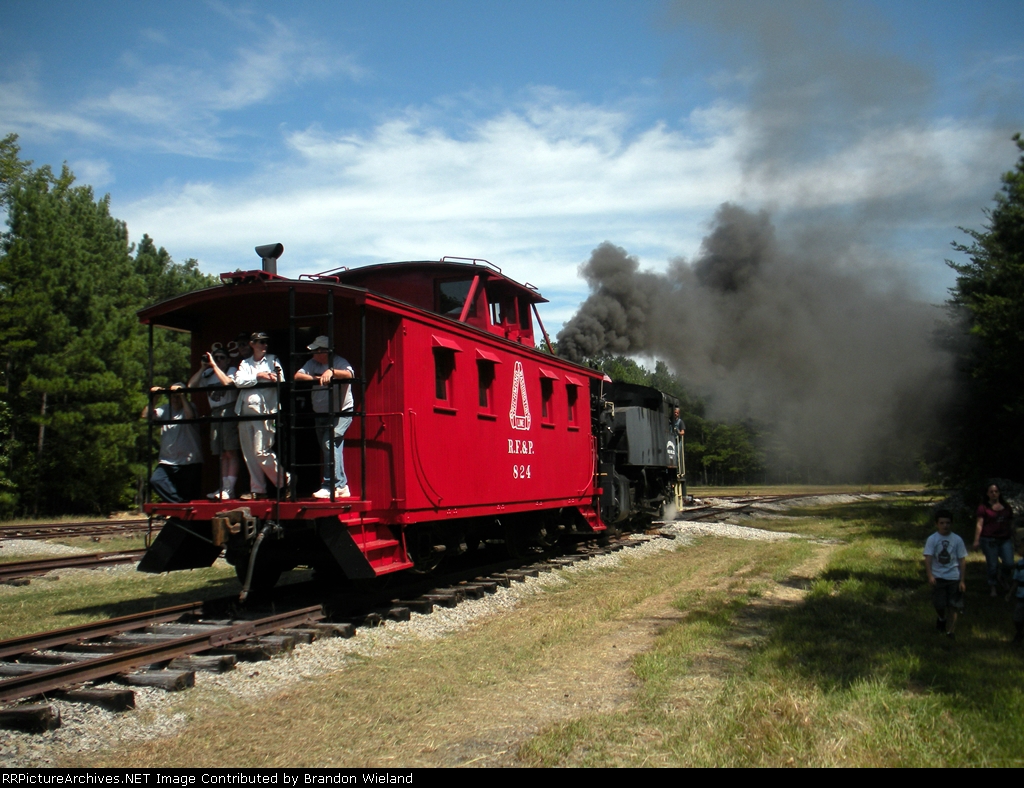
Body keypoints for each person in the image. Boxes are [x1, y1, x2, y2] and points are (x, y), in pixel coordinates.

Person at [294, 335, 355, 498]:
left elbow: (349, 375)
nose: (312, 353)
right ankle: (341, 485)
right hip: (320, 412)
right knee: (329, 446)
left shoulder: (339, 361)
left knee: (329, 442)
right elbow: (298, 376)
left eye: (315, 350)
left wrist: (332, 372)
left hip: (341, 411)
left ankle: (331, 484)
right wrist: (318, 378)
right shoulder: (312, 363)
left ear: (324, 351)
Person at [234, 331, 288, 499]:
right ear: (252, 344)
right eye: (260, 342)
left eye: (265, 342)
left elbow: (281, 379)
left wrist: (268, 377)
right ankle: (258, 489)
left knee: (261, 451)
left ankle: (285, 480)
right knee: (249, 454)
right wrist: (259, 376)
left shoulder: (273, 360)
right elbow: (238, 382)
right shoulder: (245, 363)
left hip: (264, 413)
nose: (264, 345)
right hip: (244, 412)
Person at [188, 347, 239, 500]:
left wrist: (215, 367)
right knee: (222, 454)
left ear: (228, 360)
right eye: (215, 358)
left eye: (221, 358)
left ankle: (230, 489)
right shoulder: (207, 374)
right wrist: (203, 367)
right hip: (215, 412)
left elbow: (227, 383)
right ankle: (224, 488)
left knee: (231, 451)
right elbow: (191, 386)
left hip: (229, 410)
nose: (217, 360)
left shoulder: (232, 370)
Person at [142, 383, 203, 504]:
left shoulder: (190, 407)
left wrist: (182, 395)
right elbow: (145, 415)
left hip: (188, 462)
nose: (175, 399)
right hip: (167, 461)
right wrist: (154, 398)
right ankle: (179, 504)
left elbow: (190, 416)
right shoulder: (165, 409)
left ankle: (183, 514)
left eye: (178, 396)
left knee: (189, 493)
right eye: (173, 396)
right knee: (156, 480)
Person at [924, 508, 968, 641]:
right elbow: (928, 558)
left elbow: (962, 560)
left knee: (953, 605)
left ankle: (950, 632)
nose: (945, 526)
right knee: (939, 604)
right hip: (938, 577)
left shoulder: (957, 540)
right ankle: (941, 618)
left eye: (948, 523)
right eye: (942, 523)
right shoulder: (932, 539)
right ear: (937, 524)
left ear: (951, 524)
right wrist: (930, 575)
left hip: (953, 577)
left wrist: (962, 580)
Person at [974, 482, 1014, 597]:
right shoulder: (983, 508)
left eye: (996, 491)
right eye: (991, 492)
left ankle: (1003, 577)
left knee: (1009, 563)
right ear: (987, 493)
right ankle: (993, 587)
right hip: (989, 540)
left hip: (1005, 539)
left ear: (999, 493)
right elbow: (979, 524)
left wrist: (1014, 537)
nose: (994, 494)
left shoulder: (1006, 507)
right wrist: (976, 540)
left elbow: (1011, 524)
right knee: (992, 565)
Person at [1007, 541, 1024, 644]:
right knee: (1017, 617)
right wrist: (1010, 593)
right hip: (1021, 595)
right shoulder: (1020, 564)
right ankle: (1019, 633)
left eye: (1020, 547)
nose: (1018, 549)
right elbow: (1016, 580)